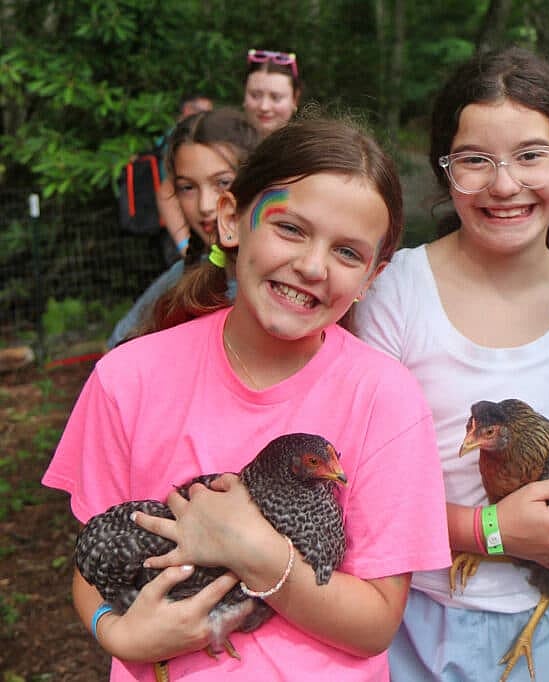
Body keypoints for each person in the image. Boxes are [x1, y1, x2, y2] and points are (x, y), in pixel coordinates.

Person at [44, 117, 451, 681]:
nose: (312, 266)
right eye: (290, 228)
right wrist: (115, 632)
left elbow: (377, 622)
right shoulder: (128, 378)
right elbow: (93, 564)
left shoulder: (384, 398)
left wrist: (255, 552)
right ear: (232, 220)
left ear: (370, 278)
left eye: (347, 252)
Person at [352, 47, 549, 681]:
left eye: (531, 155)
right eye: (475, 160)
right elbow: (364, 487)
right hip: (410, 610)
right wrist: (489, 530)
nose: (504, 185)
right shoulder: (393, 292)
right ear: (445, 171)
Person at [107, 108, 259, 349]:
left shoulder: (288, 277)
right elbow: (118, 346)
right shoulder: (183, 278)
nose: (205, 206)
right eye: (188, 187)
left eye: (223, 182)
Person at [159, 94, 215, 260]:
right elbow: (166, 189)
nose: (208, 118)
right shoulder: (180, 140)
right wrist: (184, 244)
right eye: (204, 112)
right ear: (187, 110)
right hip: (180, 225)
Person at [243, 48, 300, 140]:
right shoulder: (225, 142)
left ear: (295, 99)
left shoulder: (308, 146)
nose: (264, 107)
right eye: (255, 95)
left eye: (276, 97)